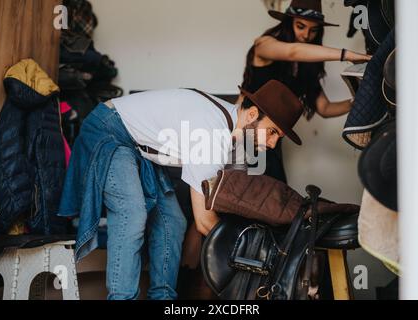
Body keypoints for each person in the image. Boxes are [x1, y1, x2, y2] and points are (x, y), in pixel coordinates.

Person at [58, 80, 304, 300]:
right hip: (110, 129)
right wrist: (254, 259)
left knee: (173, 221)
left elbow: (232, 201)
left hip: (139, 148)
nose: (272, 144)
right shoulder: (211, 134)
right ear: (252, 114)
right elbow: (205, 221)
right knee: (132, 214)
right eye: (272, 132)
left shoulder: (236, 141)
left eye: (278, 137)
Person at [239, 0, 372, 182]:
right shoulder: (264, 45)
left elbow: (324, 108)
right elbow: (292, 51)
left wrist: (358, 102)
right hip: (246, 131)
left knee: (275, 194)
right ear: (288, 22)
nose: (306, 35)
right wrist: (348, 55)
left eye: (314, 30)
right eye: (300, 26)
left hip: (271, 139)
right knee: (245, 192)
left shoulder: (306, 67)